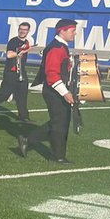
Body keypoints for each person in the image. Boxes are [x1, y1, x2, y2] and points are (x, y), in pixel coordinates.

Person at [20, 18, 76, 163]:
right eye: (72, 30)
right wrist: (65, 93)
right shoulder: (56, 48)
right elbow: (51, 74)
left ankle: (30, 141)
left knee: (60, 122)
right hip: (54, 91)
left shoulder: (61, 46)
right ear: (62, 31)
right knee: (59, 124)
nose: (75, 34)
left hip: (57, 89)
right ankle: (57, 156)